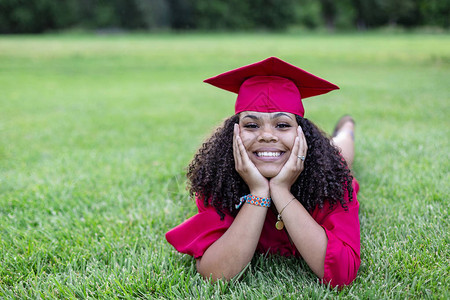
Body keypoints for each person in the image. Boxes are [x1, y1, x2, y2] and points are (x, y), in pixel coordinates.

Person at [166, 57, 360, 287]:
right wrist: (259, 191)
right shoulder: (220, 184)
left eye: (282, 125)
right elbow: (215, 274)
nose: (267, 135)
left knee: (340, 153)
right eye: (251, 125)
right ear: (234, 134)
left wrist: (281, 190)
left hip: (322, 162)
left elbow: (342, 273)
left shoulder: (330, 180)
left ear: (302, 134)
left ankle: (347, 129)